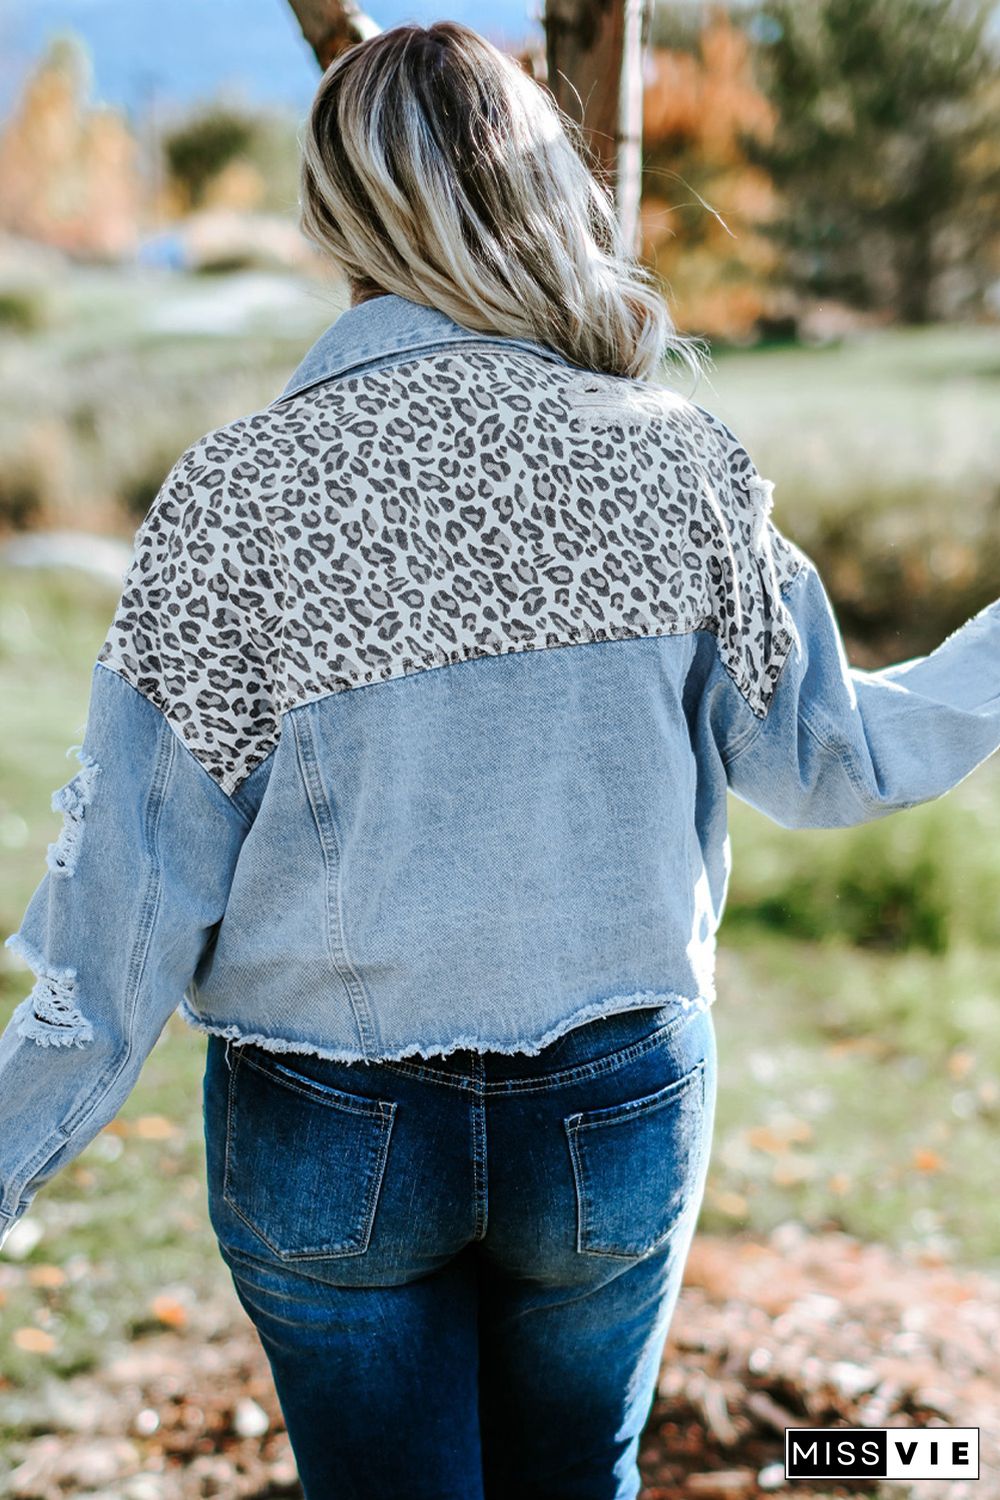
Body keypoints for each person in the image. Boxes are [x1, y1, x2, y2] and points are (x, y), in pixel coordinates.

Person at [2, 19, 998, 1500]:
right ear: (545, 190)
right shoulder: (672, 456)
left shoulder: (239, 496)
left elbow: (136, 901)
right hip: (617, 1101)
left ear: (337, 210)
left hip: (330, 1129)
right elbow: (831, 759)